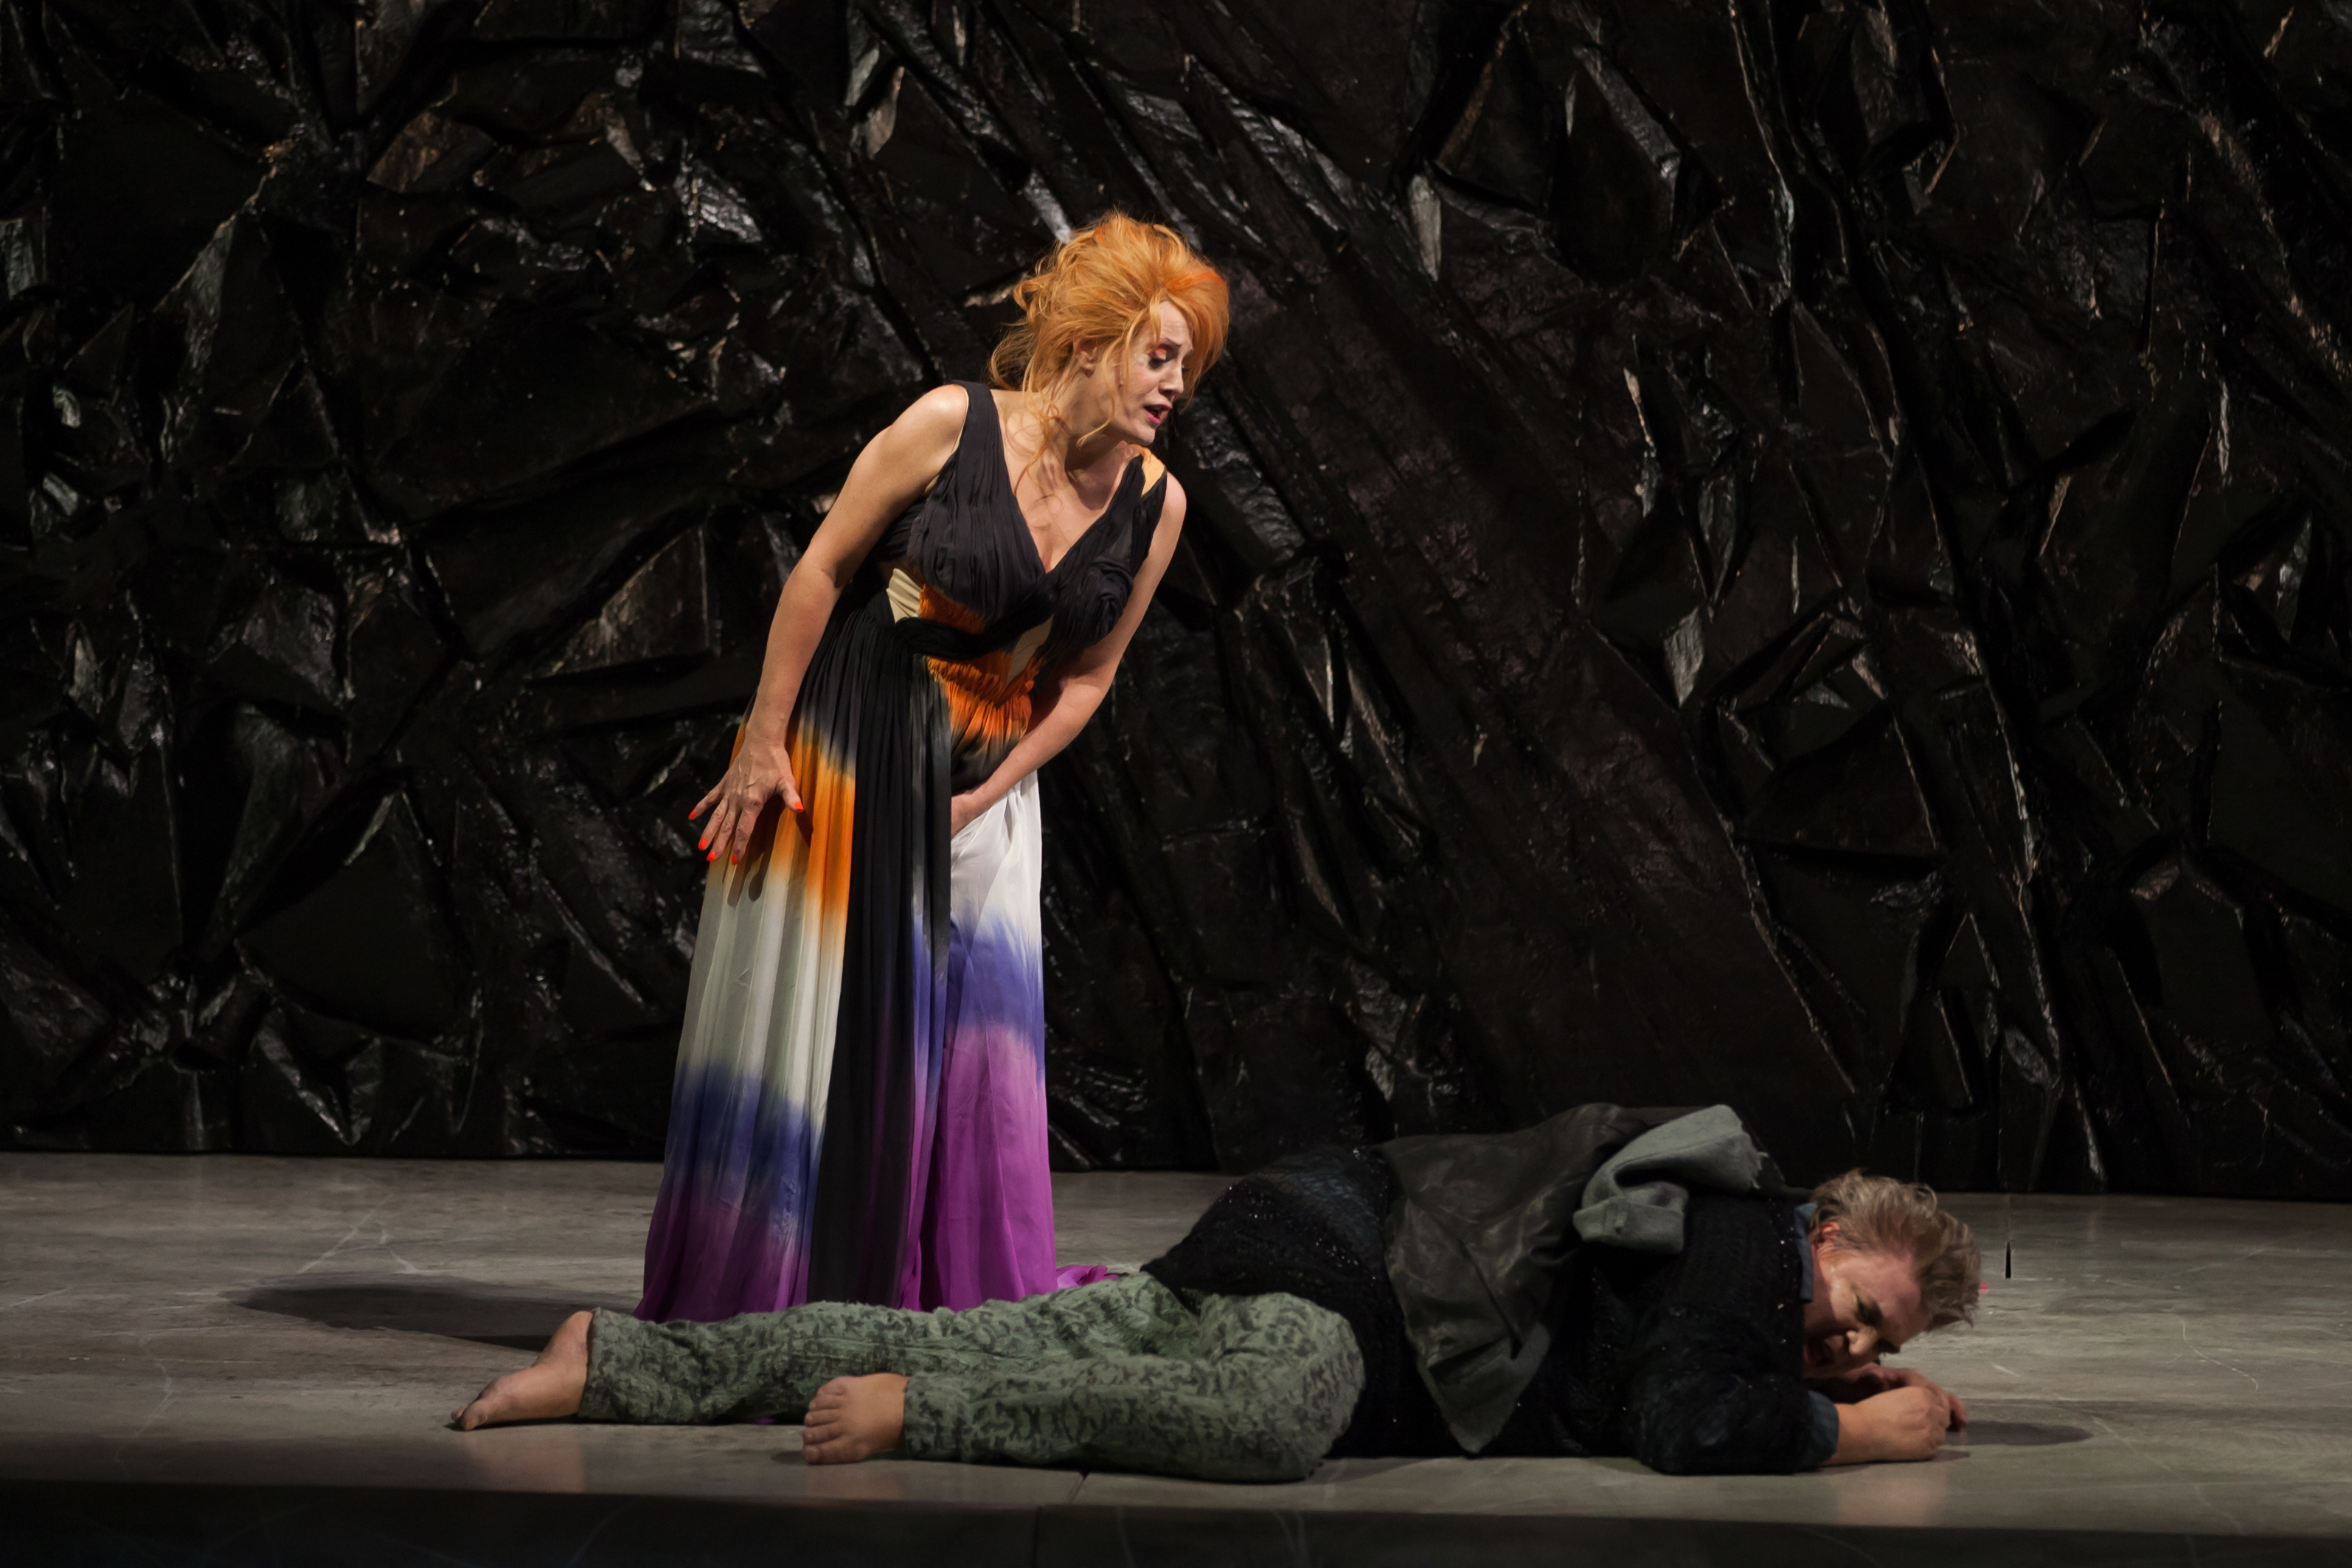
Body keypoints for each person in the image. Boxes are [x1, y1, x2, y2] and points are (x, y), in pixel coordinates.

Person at [634, 215, 1227, 1322]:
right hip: (859, 736)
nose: (1175, 385)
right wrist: (762, 738)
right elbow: (823, 570)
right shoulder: (951, 424)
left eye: (1185, 364)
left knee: (973, 1059)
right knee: (820, 1029)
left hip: (985, 781)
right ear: (1089, 345)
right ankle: (781, 1300)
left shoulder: (1157, 506)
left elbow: (1086, 680)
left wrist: (988, 795)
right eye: (1159, 355)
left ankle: (939, 1308)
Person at [457, 1108, 1980, 1480]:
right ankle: (933, 1415)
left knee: (968, 1322)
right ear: (1824, 1225)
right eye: (1860, 1300)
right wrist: (1853, 1432)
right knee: (1265, 1422)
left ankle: (618, 1361)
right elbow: (1685, 1419)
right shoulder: (1747, 1237)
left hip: (1302, 1227)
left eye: (1874, 1342)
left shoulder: (1732, 1235)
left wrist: (1826, 1381)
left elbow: (1690, 1366)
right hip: (1347, 1289)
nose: (1848, 1335)